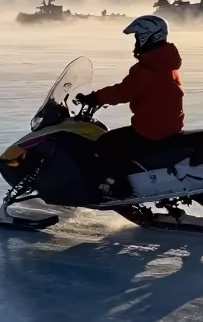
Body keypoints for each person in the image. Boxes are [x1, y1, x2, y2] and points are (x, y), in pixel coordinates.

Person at [77, 15, 184, 195]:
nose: (135, 42)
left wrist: (96, 98)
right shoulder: (166, 63)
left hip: (152, 128)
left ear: (148, 36)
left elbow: (124, 91)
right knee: (120, 142)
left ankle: (118, 188)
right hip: (168, 124)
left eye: (137, 37)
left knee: (106, 143)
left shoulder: (149, 68)